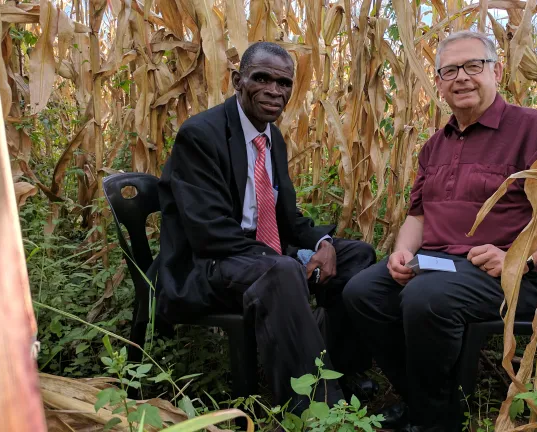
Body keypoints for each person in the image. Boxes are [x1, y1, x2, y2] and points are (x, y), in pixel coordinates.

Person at [342, 31, 537, 432]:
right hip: (436, 264)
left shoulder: (532, 128)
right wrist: (400, 252)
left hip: (502, 274)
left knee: (424, 297)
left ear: (496, 71)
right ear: (438, 82)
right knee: (361, 292)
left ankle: (435, 420)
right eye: (449, 70)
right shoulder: (434, 146)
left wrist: (520, 258)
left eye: (473, 66)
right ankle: (428, 400)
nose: (461, 78)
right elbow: (418, 216)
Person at [155, 41, 377, 413]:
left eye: (284, 83)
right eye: (262, 78)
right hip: (207, 263)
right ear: (237, 81)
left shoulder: (272, 138)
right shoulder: (201, 135)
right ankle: (314, 408)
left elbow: (287, 219)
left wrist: (322, 243)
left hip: (254, 255)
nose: (275, 91)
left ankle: (339, 369)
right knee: (281, 269)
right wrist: (282, 258)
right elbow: (208, 232)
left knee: (356, 255)